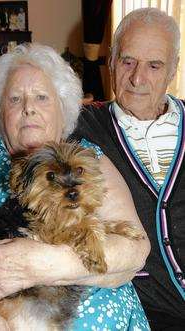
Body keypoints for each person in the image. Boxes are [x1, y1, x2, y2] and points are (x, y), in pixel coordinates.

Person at [0, 43, 150, 330]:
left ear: (62, 109)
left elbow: (136, 250)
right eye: (15, 99)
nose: (28, 109)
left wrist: (41, 264)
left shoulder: (88, 157)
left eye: (41, 97)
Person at [71, 7, 185, 331]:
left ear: (173, 70)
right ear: (110, 62)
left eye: (154, 65)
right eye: (127, 61)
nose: (137, 78)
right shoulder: (83, 126)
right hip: (143, 310)